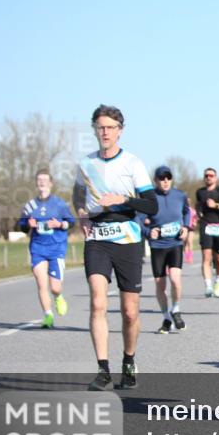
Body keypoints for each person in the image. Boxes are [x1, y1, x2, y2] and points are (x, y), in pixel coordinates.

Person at [73, 105, 158, 391]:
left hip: (127, 238)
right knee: (98, 301)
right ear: (95, 130)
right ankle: (103, 370)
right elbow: (77, 195)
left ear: (120, 130)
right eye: (100, 127)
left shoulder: (132, 164)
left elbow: (151, 205)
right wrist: (82, 214)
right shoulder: (85, 164)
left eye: (110, 127)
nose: (105, 132)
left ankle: (129, 360)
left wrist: (123, 199)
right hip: (97, 237)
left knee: (130, 311)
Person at [18, 169, 75, 329]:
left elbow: (71, 222)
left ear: (51, 183)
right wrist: (27, 225)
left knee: (55, 286)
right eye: (39, 180)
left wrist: (59, 224)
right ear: (37, 183)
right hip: (37, 248)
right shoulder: (30, 206)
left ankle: (58, 296)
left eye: (45, 179)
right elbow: (22, 226)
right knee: (42, 285)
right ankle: (48, 316)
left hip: (56, 248)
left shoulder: (59, 204)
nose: (42, 182)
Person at [141, 166, 191, 334]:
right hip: (158, 247)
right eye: (162, 178)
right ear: (155, 181)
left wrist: (186, 227)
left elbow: (187, 212)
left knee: (176, 280)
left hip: (175, 244)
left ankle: (175, 309)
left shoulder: (180, 195)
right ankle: (166, 317)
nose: (165, 181)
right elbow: (138, 219)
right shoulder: (150, 198)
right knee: (160, 285)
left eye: (168, 177)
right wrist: (148, 232)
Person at [195, 168, 219, 298]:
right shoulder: (200, 192)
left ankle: (218, 280)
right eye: (206, 175)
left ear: (216, 177)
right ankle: (208, 285)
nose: (209, 177)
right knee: (206, 256)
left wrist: (216, 205)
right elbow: (198, 205)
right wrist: (198, 213)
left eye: (211, 175)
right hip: (206, 225)